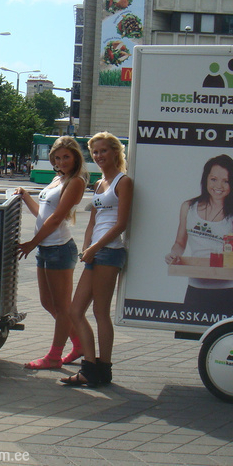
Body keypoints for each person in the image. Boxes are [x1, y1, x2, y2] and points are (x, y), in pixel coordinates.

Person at [61, 132, 133, 387]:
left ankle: (104, 368)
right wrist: (85, 246)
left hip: (110, 251)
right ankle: (90, 366)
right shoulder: (100, 183)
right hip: (94, 251)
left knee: (100, 311)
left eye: (103, 151)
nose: (99, 156)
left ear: (115, 152)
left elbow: (121, 224)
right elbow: (93, 220)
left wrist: (95, 248)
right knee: (75, 310)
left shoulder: (123, 182)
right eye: (95, 152)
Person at [15, 136, 88, 370]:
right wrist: (26, 196)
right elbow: (43, 214)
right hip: (47, 248)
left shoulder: (76, 182)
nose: (61, 161)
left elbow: (56, 219)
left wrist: (31, 243)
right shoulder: (59, 179)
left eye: (66, 156)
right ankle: (79, 344)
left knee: (62, 307)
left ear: (76, 156)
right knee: (48, 303)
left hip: (59, 248)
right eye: (57, 157)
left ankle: (54, 357)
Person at [164, 154, 233, 313]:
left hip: (230, 292)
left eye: (225, 181)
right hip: (196, 289)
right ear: (205, 179)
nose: (219, 185)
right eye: (213, 179)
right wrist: (174, 254)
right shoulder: (188, 208)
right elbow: (179, 243)